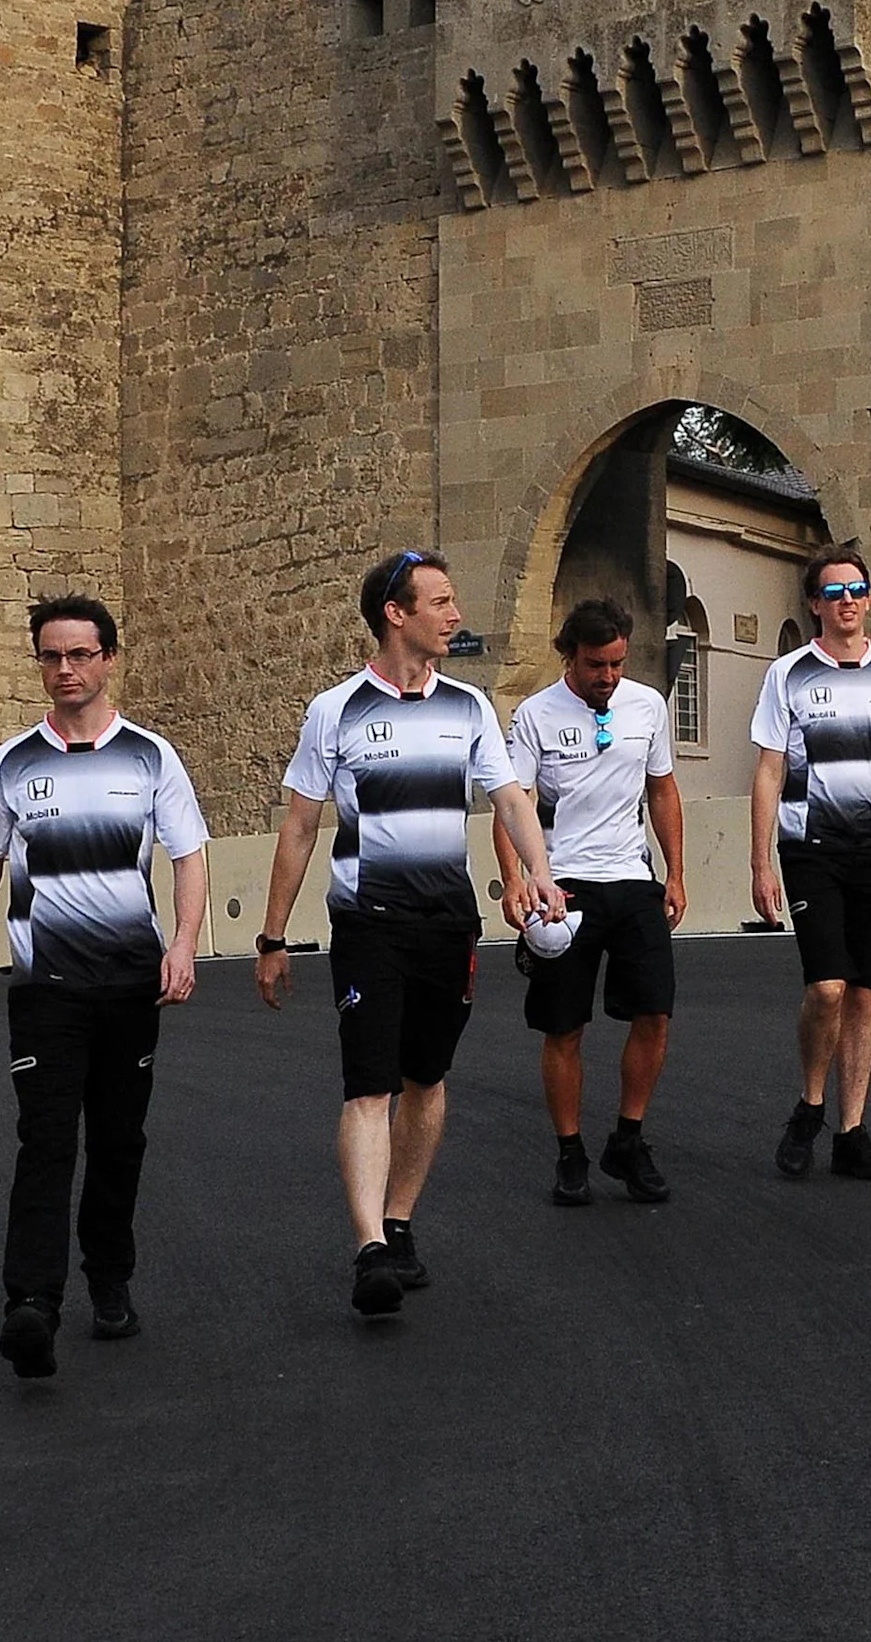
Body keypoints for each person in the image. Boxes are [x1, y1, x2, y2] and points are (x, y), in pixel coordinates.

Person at [255, 552, 552, 1317]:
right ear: (396, 613)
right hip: (369, 922)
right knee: (369, 1086)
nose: (455, 616)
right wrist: (272, 937)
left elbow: (510, 799)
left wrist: (542, 872)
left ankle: (399, 1219)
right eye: (441, 602)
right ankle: (369, 1250)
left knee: (426, 1079)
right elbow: (299, 827)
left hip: (448, 921)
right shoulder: (336, 710)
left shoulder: (469, 708)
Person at [0, 596, 210, 1380]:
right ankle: (31, 1303)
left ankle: (110, 1278)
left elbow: (188, 855)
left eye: (80, 655)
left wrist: (184, 945)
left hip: (131, 984)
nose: (65, 670)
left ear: (108, 660)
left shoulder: (152, 757)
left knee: (119, 1141)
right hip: (47, 989)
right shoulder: (10, 764)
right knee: (46, 1140)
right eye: (51, 657)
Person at [747, 547, 871, 1181]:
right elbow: (769, 769)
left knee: (866, 992)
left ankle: (852, 1131)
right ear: (814, 605)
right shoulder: (789, 674)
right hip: (810, 847)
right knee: (827, 986)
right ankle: (810, 1105)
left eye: (856, 589)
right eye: (833, 592)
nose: (846, 601)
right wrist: (760, 862)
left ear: (869, 598)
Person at [497, 598, 690, 1206]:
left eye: (617, 664)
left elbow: (662, 790)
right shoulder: (535, 714)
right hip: (563, 886)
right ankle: (570, 1151)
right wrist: (515, 880)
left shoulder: (648, 705)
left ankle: (628, 1140)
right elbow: (512, 804)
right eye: (595, 665)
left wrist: (675, 874)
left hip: (632, 879)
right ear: (569, 657)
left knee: (654, 1013)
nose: (608, 676)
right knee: (565, 1027)